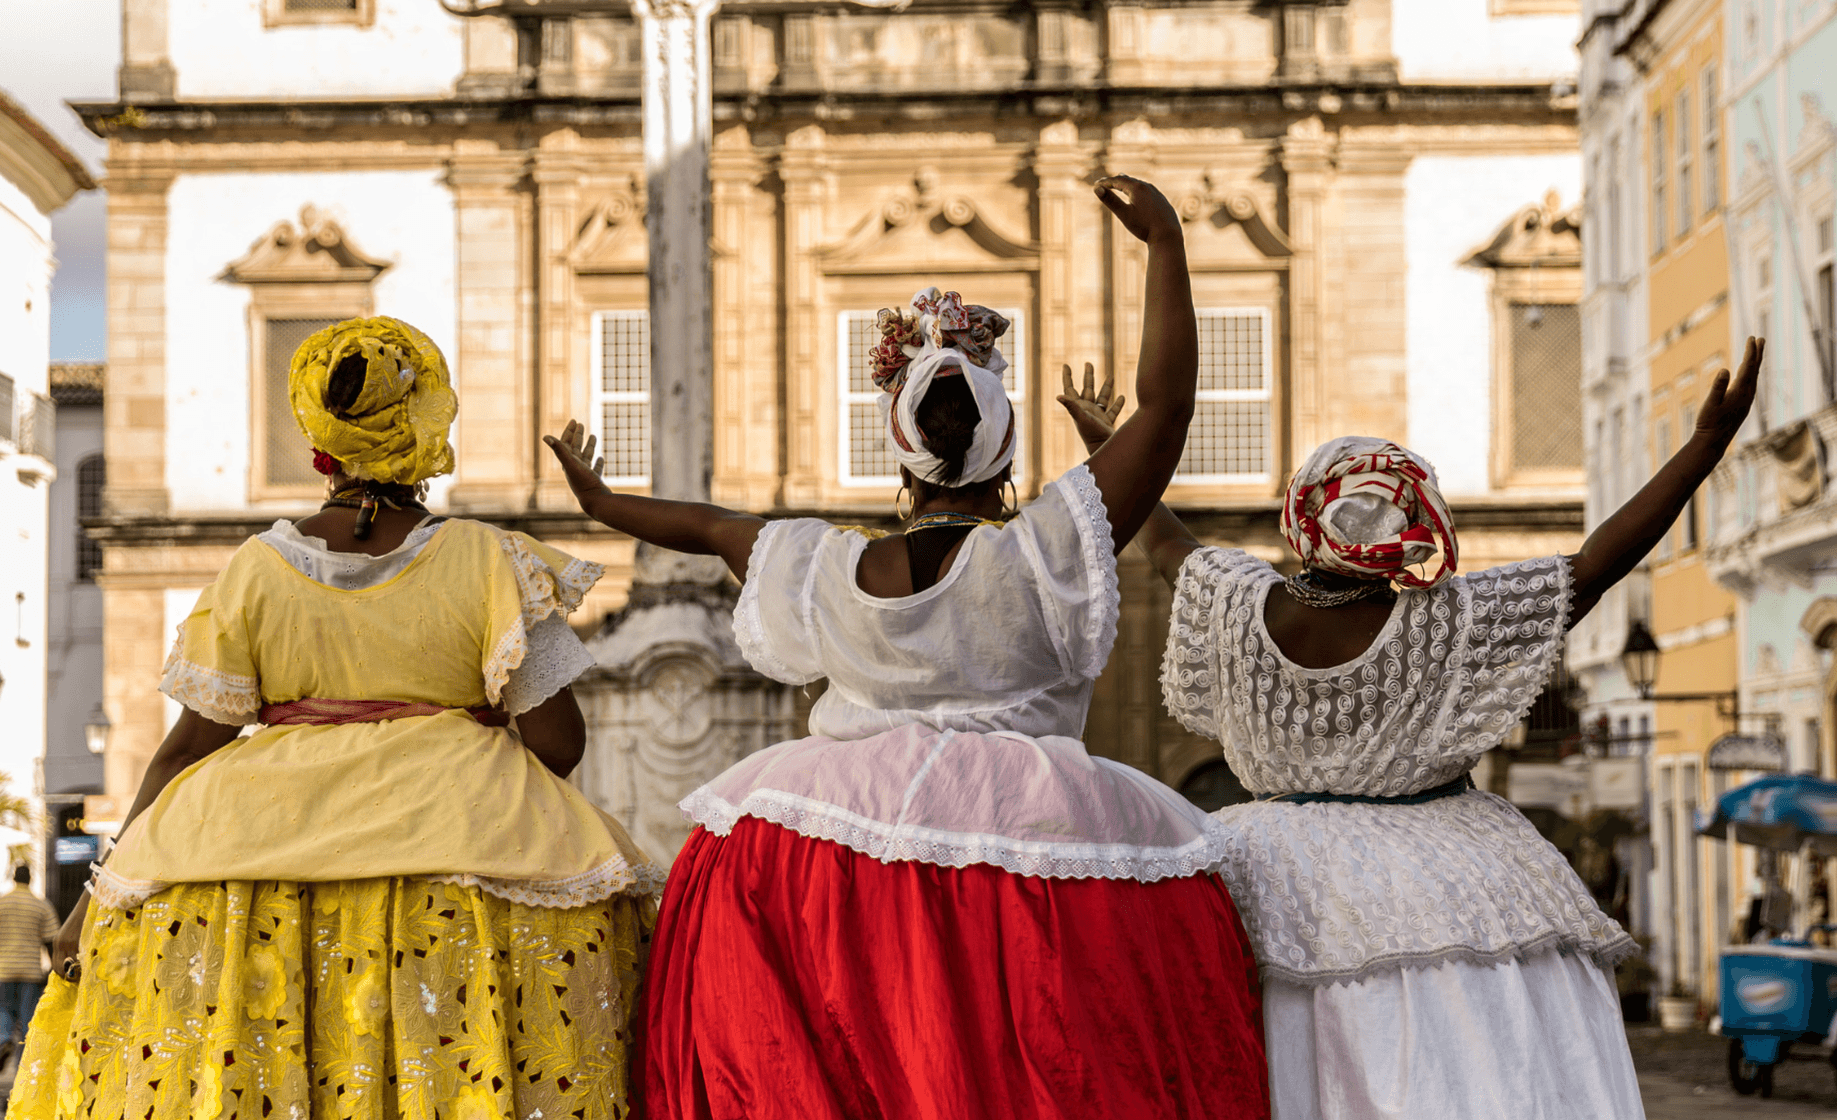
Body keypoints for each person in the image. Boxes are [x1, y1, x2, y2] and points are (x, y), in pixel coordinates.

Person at [545, 175, 1269, 1120]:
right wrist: (1165, 245)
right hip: (1035, 839)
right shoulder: (1046, 550)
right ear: (1004, 452)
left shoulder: (824, 568)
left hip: (831, 847)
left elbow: (714, 526)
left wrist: (604, 506)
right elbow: (1166, 408)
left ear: (902, 456)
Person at [1058, 339, 1763, 1119]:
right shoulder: (1449, 622)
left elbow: (1161, 539)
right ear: (1414, 522)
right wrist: (1703, 450)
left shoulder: (1232, 601)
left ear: (1303, 517)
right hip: (1448, 870)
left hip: (1260, 870)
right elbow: (1596, 562)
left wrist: (1107, 443)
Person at [9, 317, 662, 1120]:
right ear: (427, 422)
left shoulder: (255, 571)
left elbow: (182, 752)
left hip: (249, 877)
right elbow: (559, 743)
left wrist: (86, 907)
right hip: (465, 869)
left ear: (321, 436)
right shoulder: (490, 559)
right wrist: (460, 736)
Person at [0, 864, 57, 1073]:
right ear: (30, 879)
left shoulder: (1, 902)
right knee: (27, 1022)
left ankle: (4, 1041)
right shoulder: (41, 905)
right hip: (31, 972)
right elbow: (52, 939)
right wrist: (52, 967)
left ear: (14, 879)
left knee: (3, 1011)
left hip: (4, 969)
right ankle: (21, 1069)